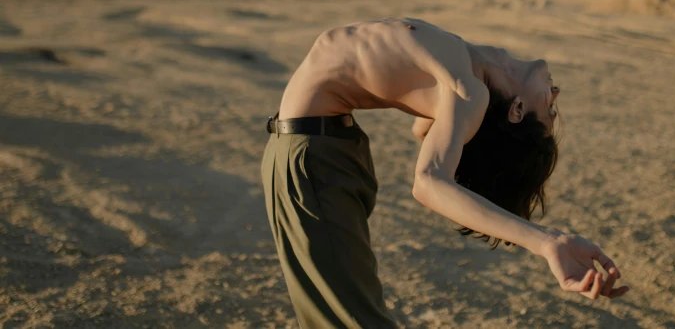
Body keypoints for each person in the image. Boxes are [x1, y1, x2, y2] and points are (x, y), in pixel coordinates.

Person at [261, 17, 629, 328]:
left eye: (549, 108)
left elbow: (429, 182)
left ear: (516, 110)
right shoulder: (467, 77)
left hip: (314, 157)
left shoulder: (469, 90)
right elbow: (423, 130)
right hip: (323, 151)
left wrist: (547, 242)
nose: (555, 94)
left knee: (350, 319)